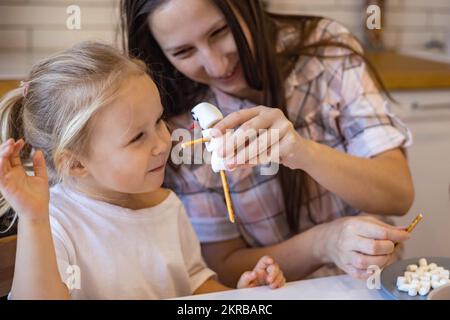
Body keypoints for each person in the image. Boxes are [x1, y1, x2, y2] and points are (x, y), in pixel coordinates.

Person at [121, 0, 414, 286]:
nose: (216, 64)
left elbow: (398, 194)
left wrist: (305, 152)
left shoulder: (324, 49)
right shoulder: (176, 125)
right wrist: (325, 242)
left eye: (220, 32)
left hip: (376, 285)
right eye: (183, 51)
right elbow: (222, 267)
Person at [0, 41, 285, 299]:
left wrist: (237, 297)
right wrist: (34, 219)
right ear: (76, 163)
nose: (163, 142)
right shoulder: (53, 222)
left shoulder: (167, 205)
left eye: (159, 121)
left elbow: (193, 284)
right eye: (137, 137)